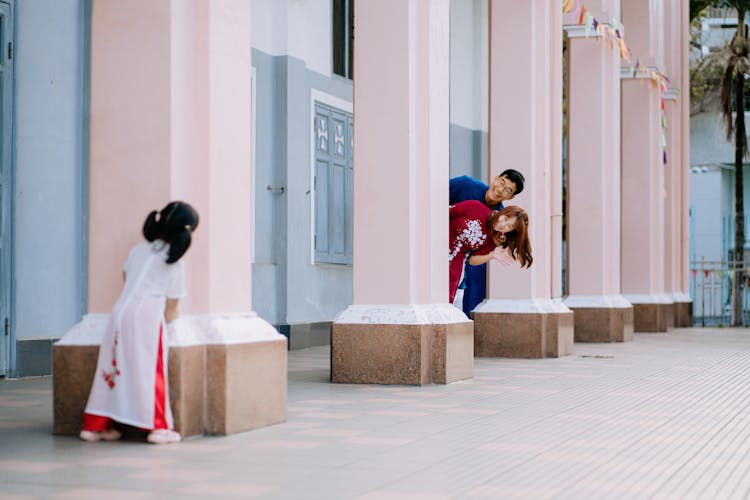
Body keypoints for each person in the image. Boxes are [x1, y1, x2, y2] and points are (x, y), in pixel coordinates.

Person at [79, 201, 199, 445]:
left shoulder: (139, 250)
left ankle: (95, 427)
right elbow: (172, 307)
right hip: (148, 314)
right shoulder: (174, 262)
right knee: (150, 371)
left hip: (120, 311)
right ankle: (157, 427)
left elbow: (126, 277)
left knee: (111, 367)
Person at [449, 169, 525, 316]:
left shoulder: (500, 228)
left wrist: (492, 255)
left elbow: (472, 258)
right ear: (496, 178)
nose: (500, 190)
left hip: (456, 268)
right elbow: (434, 201)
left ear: (511, 197)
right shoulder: (466, 186)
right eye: (501, 182)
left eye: (507, 190)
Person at [449, 200, 532, 304]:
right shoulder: (476, 207)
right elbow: (445, 213)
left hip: (454, 265)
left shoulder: (493, 240)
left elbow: (471, 260)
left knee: (445, 301)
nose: (503, 225)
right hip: (435, 247)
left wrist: (491, 256)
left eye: (509, 226)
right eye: (505, 218)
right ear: (503, 212)